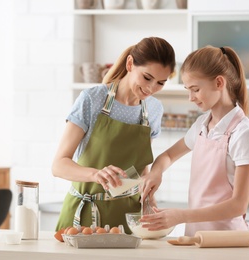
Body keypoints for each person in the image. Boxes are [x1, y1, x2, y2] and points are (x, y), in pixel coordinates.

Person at [52, 37, 176, 233]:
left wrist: (148, 192)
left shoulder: (153, 109)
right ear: (130, 64)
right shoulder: (92, 99)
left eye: (161, 82)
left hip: (129, 220)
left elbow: (141, 168)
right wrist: (95, 174)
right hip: (83, 218)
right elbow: (59, 165)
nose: (151, 88)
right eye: (147, 77)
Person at [140, 45, 249, 236]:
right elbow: (169, 155)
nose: (191, 97)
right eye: (188, 90)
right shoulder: (201, 126)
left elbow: (239, 205)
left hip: (227, 241)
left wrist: (181, 216)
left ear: (219, 83)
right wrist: (156, 172)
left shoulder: (243, 132)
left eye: (195, 89)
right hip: (197, 238)